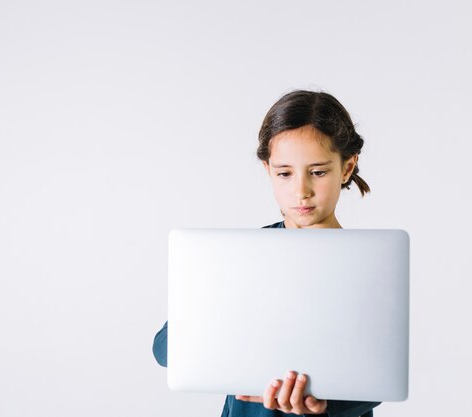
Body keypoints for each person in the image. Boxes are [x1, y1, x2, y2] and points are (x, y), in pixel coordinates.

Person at [152, 90, 381, 417]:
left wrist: (324, 404)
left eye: (317, 172)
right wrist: (223, 316)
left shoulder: (369, 266)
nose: (301, 190)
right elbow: (165, 349)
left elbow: (378, 377)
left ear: (347, 167)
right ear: (268, 169)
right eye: (284, 173)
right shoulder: (240, 259)